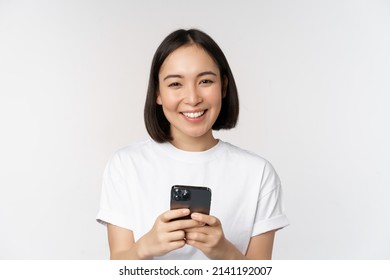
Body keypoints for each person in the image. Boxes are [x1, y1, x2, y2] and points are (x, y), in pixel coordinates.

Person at [96, 29, 289, 260]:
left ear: (224, 87)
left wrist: (224, 252)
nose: (193, 97)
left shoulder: (258, 173)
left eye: (205, 81)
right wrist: (145, 247)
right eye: (176, 84)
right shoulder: (125, 165)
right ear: (158, 93)